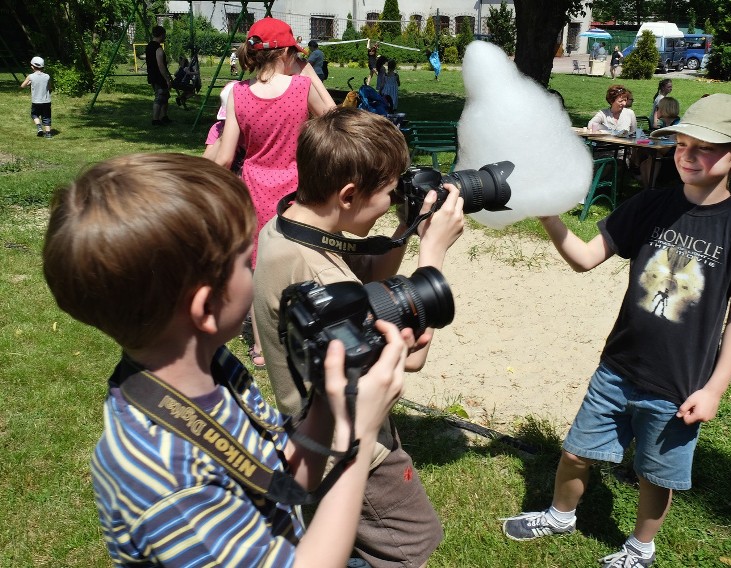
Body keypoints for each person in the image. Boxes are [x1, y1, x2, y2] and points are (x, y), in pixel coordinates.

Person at [42, 152, 410, 567]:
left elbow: (280, 478)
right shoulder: (167, 479)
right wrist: (359, 439)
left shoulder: (212, 370)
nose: (252, 268)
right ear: (207, 307)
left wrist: (329, 402)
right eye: (242, 261)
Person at [502, 94, 731, 567]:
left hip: (678, 384)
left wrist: (714, 389)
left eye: (704, 147)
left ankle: (640, 548)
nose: (687, 154)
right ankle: (560, 514)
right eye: (681, 143)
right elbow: (586, 258)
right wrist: (549, 217)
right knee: (576, 452)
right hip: (618, 366)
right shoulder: (649, 204)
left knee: (656, 475)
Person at [253, 106, 465, 568]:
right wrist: (432, 252)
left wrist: (402, 230)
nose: (394, 200)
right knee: (408, 548)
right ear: (349, 195)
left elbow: (365, 285)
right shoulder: (315, 272)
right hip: (355, 451)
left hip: (317, 430)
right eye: (389, 194)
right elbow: (406, 358)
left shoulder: (290, 226)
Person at [214, 16, 336, 370]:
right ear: (287, 52)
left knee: (259, 265)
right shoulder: (300, 88)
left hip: (254, 185)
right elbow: (332, 116)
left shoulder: (238, 94)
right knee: (302, 257)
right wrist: (306, 70)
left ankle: (261, 348)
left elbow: (224, 157)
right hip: (296, 185)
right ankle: (307, 330)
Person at [21, 56, 54, 138]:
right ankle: (48, 133)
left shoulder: (30, 76)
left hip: (36, 101)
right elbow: (50, 88)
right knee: (46, 116)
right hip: (46, 101)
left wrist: (29, 83)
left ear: (32, 66)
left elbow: (22, 86)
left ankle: (39, 127)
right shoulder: (47, 76)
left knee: (34, 114)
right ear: (42, 67)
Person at [146, 25, 172, 126]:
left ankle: (164, 117)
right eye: (164, 35)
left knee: (165, 96)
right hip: (158, 77)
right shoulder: (158, 48)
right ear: (161, 35)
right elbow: (161, 65)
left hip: (152, 75)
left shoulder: (149, 46)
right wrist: (167, 79)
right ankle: (155, 120)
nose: (165, 37)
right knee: (160, 97)